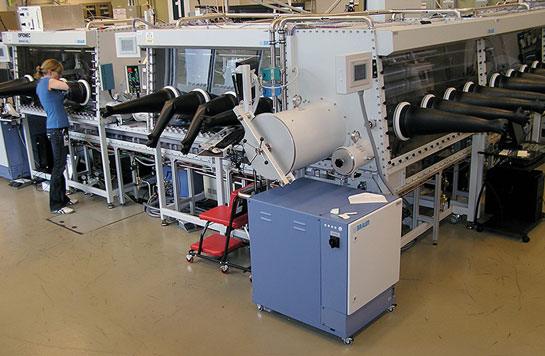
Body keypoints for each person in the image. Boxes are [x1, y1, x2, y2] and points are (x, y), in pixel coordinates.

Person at [35, 59, 78, 214]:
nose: (60, 76)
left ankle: (63, 198)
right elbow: (66, 86)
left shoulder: (42, 84)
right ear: (51, 71)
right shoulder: (47, 82)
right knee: (58, 167)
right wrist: (70, 82)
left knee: (61, 165)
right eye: (59, 73)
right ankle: (56, 205)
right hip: (56, 129)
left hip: (59, 128)